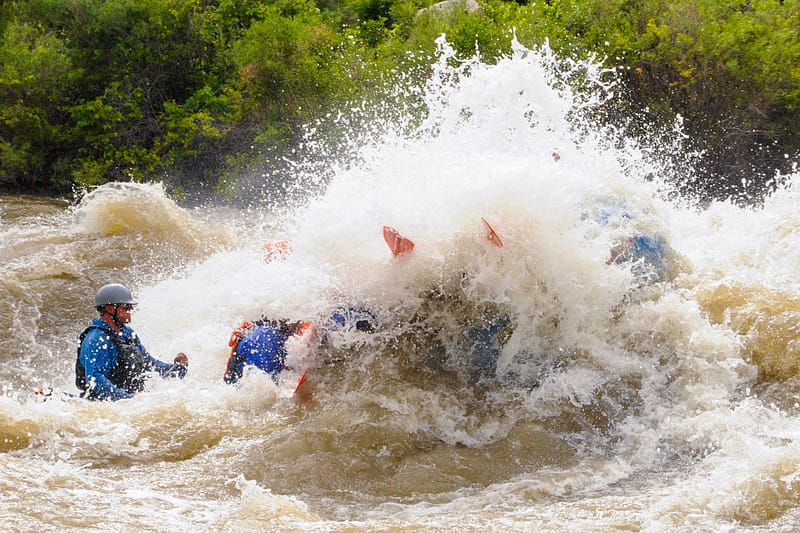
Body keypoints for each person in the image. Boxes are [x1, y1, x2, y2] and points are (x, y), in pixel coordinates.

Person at [76, 283, 189, 401]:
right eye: (126, 306)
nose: (131, 309)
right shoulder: (96, 339)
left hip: (127, 402)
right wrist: (129, 399)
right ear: (110, 308)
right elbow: (95, 379)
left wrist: (178, 369)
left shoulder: (128, 334)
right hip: (103, 405)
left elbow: (148, 364)